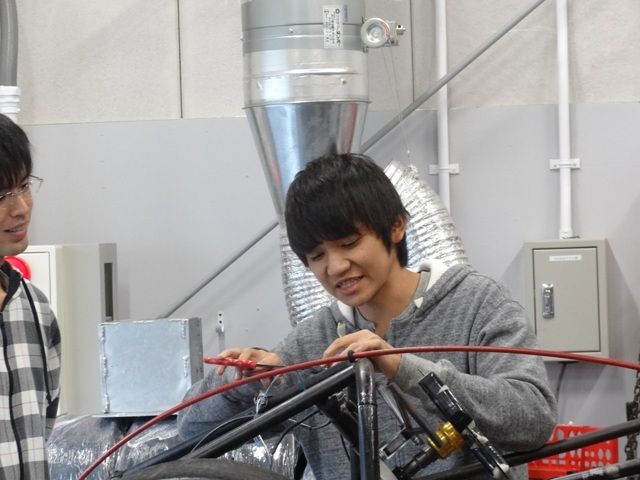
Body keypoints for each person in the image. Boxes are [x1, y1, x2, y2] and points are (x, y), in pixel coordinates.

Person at [178, 153, 557, 479]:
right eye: (317, 256)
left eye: (349, 243)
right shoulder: (315, 340)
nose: (336, 266)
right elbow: (190, 430)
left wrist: (403, 368)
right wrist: (245, 384)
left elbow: (533, 417)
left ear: (396, 226)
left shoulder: (476, 304)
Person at [0, 113, 61, 480]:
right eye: (1, 195)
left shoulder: (35, 308)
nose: (20, 207)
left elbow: (44, 426)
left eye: (23, 186)